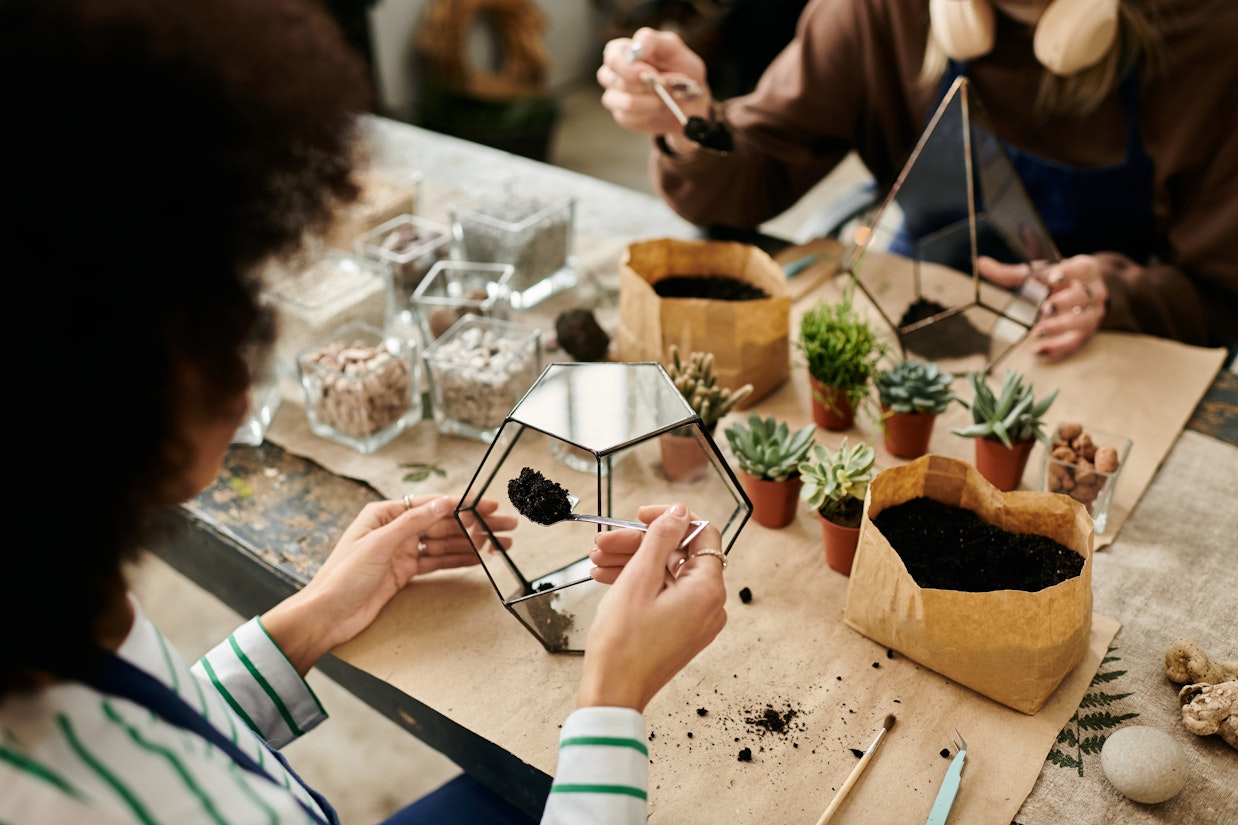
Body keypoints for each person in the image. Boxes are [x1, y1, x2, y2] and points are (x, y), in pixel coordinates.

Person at [0, 1, 727, 824]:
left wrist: (316, 615)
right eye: (229, 304)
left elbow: (171, 739)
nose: (257, 344)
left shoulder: (63, 625)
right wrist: (612, 697)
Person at [598, 0, 1238, 360]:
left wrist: (1121, 295)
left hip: (1102, 346)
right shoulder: (879, 12)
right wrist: (687, 121)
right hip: (915, 309)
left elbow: (1218, 295)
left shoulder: (1209, 41)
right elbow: (749, 176)